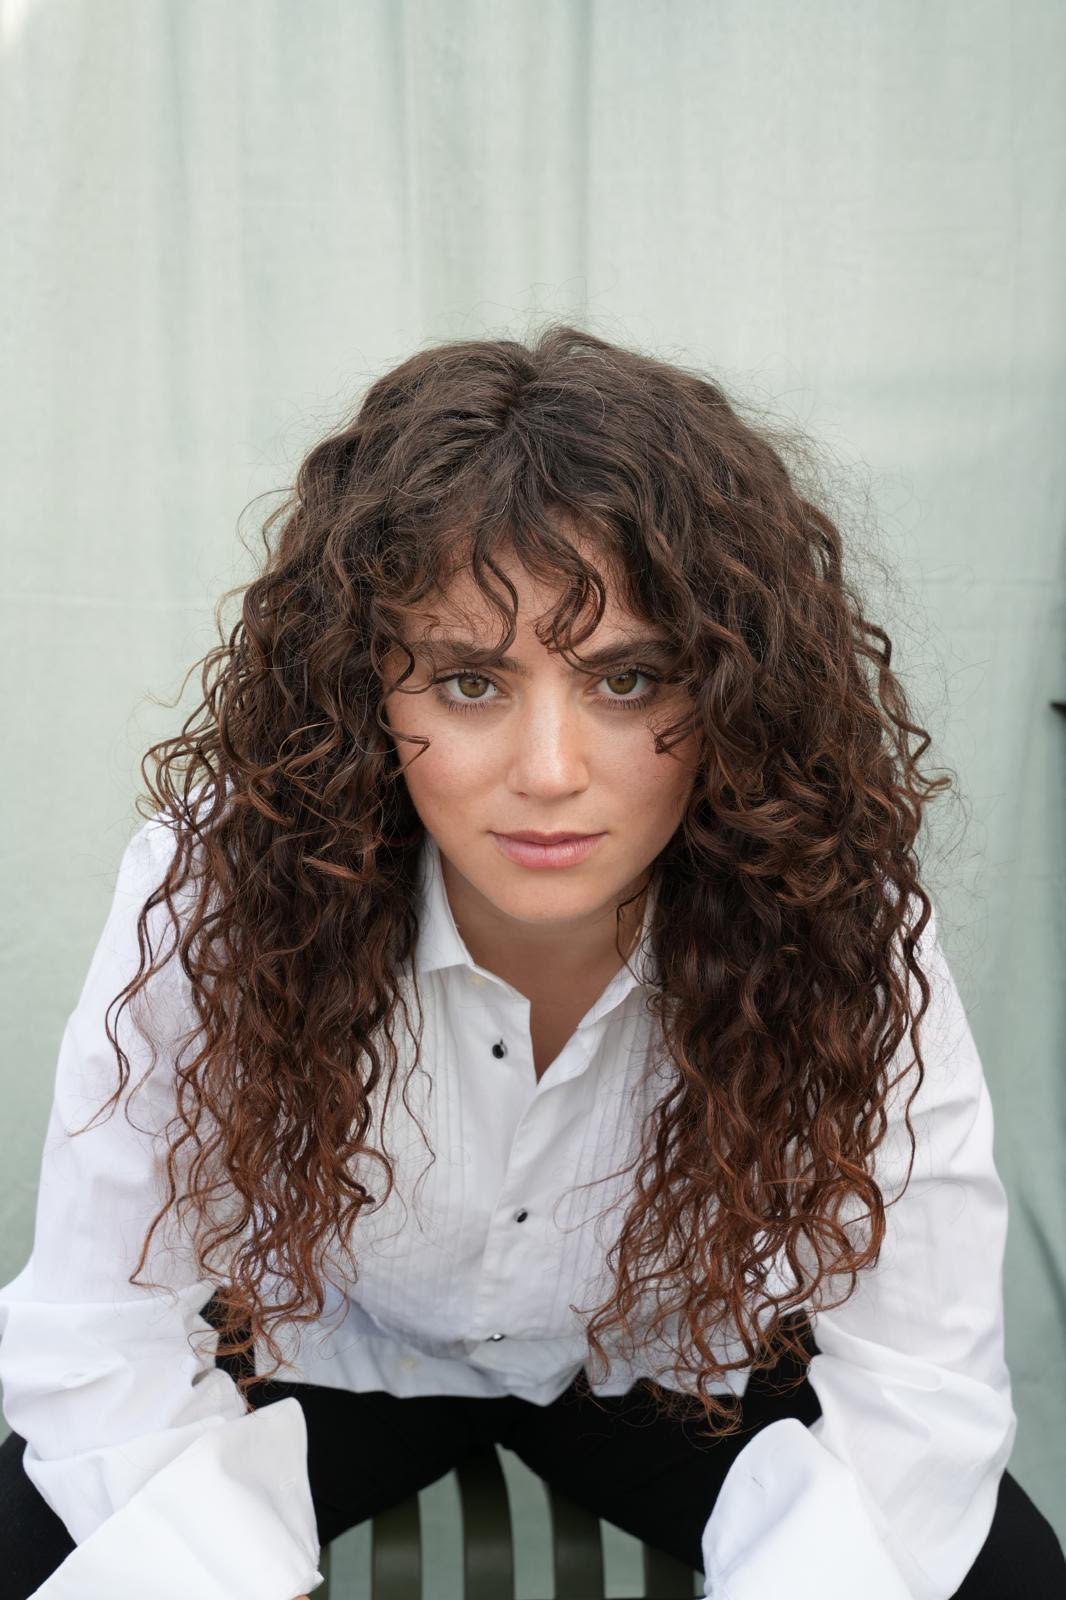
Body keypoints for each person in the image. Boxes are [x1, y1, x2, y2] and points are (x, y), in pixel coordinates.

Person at [0, 324, 1063, 1600]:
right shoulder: (225, 879)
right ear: (365, 692)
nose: (549, 772)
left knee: (1004, 1575)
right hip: (328, 1352)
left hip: (677, 1371)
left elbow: (920, 1380)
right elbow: (100, 1325)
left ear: (731, 692)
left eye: (629, 680)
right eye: (468, 682)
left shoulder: (835, 905)